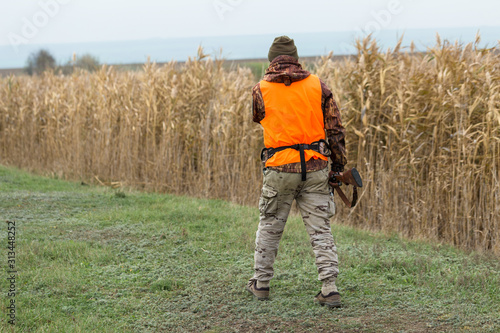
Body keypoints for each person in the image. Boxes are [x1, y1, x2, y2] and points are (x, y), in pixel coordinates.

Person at [246, 36, 347, 308]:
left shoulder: (260, 89)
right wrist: (337, 166)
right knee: (320, 230)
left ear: (271, 59)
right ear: (296, 58)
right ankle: (329, 288)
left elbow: (258, 117)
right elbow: (335, 129)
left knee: (270, 225)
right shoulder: (318, 85)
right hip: (316, 167)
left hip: (279, 168)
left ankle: (262, 284)